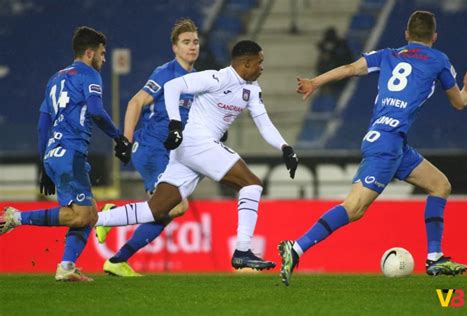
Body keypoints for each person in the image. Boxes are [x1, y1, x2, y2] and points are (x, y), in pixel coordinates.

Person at [279, 10, 467, 286]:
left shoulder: (388, 54)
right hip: (387, 143)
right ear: (434, 37)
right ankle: (296, 249)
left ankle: (434, 258)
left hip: (391, 141)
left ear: (406, 35)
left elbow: (349, 69)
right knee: (355, 207)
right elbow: (459, 103)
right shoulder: (439, 60)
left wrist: (314, 82)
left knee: (440, 185)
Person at [94, 40, 299, 270]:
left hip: (189, 150)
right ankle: (242, 250)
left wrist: (285, 147)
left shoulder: (252, 90)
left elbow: (263, 123)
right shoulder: (218, 78)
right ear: (247, 63)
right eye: (260, 63)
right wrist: (175, 124)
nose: (262, 67)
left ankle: (95, 219)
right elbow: (172, 87)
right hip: (196, 142)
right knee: (251, 184)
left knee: (157, 209)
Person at [0, 26, 131, 281]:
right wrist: (118, 136)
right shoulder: (90, 75)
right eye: (103, 53)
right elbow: (95, 110)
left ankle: (67, 266)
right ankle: (16, 217)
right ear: (90, 53)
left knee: (89, 214)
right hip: (71, 154)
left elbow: (42, 126)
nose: (104, 59)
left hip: (53, 154)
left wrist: (43, 166)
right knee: (81, 215)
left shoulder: (54, 79)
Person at [97, 18, 202, 277]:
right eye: (186, 42)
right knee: (176, 206)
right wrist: (125, 139)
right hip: (150, 148)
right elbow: (135, 102)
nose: (192, 47)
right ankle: (108, 221)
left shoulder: (197, 79)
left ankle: (117, 258)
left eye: (195, 42)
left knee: (163, 210)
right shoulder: (165, 73)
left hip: (170, 154)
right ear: (175, 48)